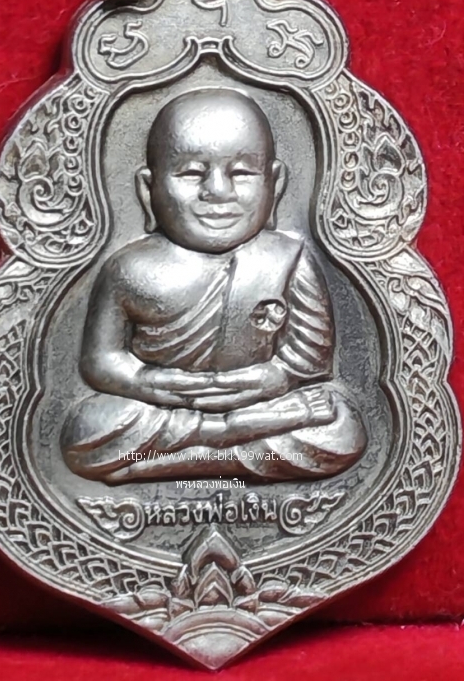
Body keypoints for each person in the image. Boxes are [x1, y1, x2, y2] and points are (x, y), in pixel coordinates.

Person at [61, 87, 366, 482]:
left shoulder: (288, 259)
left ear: (274, 184)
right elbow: (101, 362)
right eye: (191, 172)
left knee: (341, 426)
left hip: (260, 404)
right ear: (148, 189)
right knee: (89, 426)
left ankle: (169, 462)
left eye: (241, 172)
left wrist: (271, 379)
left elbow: (310, 363)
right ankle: (224, 441)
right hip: (167, 409)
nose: (218, 192)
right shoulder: (129, 269)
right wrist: (149, 382)